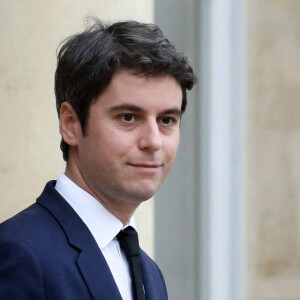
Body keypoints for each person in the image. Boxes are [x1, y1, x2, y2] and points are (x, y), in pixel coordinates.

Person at [0, 18, 196, 300]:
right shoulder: (19, 254)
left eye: (167, 120)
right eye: (128, 117)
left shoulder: (149, 273)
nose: (153, 141)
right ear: (70, 124)